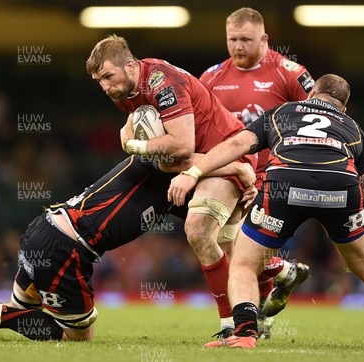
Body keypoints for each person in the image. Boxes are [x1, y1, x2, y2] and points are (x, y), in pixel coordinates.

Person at [168, 74, 364, 350]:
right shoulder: (353, 127)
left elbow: (238, 145)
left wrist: (195, 171)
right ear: (343, 108)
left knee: (245, 263)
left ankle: (245, 334)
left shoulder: (284, 111)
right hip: (340, 186)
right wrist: (347, 213)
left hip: (287, 182)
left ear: (311, 94)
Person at [0, 154, 256, 340]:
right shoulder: (153, 165)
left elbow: (210, 223)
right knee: (75, 336)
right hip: (67, 248)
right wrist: (239, 169)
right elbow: (183, 157)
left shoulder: (174, 197)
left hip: (44, 230)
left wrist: (236, 199)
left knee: (23, 312)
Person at [86, 34, 285, 338]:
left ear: (129, 65)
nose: (104, 86)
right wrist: (141, 147)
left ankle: (231, 326)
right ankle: (281, 271)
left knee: (199, 230)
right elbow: (149, 142)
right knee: (232, 248)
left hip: (225, 153)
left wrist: (136, 146)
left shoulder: (162, 83)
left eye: (108, 76)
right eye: (98, 80)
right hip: (204, 163)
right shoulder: (125, 90)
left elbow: (179, 145)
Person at [199, 7, 316, 338]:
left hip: (274, 177)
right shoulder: (210, 78)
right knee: (228, 245)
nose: (238, 47)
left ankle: (255, 317)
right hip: (231, 173)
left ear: (264, 39)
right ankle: (281, 277)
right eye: (232, 39)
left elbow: (315, 122)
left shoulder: (289, 73)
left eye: (246, 40)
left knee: (244, 251)